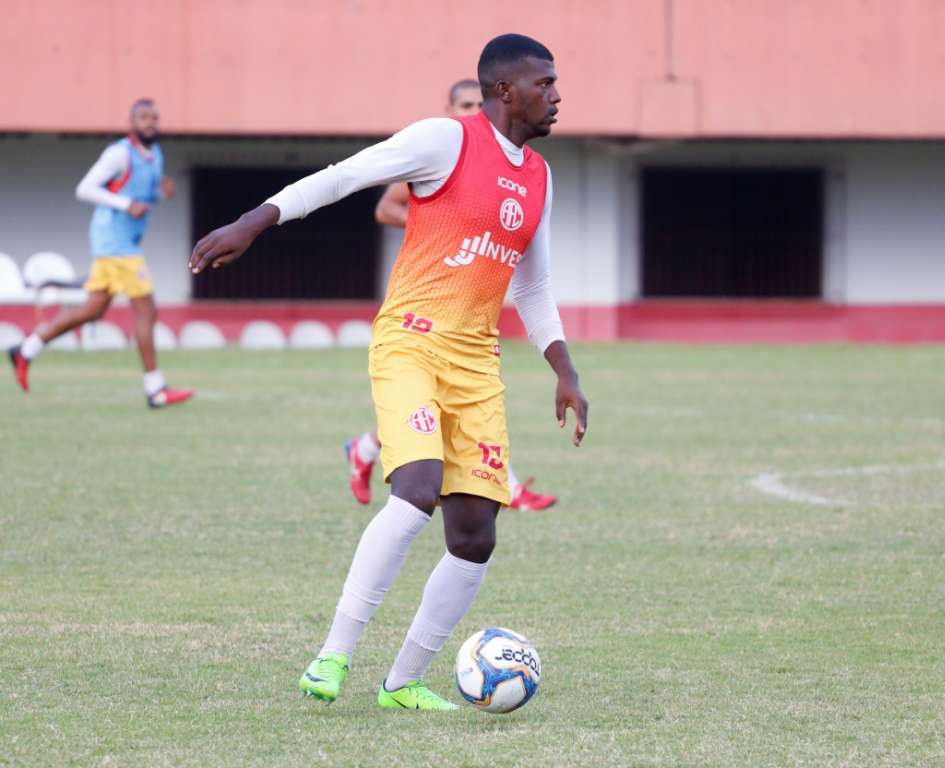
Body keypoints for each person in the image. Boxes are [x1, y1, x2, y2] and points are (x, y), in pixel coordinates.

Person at [189, 34, 587, 711]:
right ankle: (332, 656)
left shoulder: (540, 176)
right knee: (416, 488)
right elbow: (344, 175)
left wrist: (564, 369)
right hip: (411, 341)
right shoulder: (445, 140)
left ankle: (402, 683)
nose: (557, 95)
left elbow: (533, 284)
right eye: (545, 83)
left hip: (477, 363)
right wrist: (253, 223)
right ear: (504, 91)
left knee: (475, 533)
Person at [345, 78, 556, 512]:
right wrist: (447, 227)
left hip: (474, 311)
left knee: (459, 409)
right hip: (426, 301)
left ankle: (365, 449)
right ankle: (510, 488)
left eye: (476, 104)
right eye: (463, 104)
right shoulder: (437, 151)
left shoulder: (509, 164)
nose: (470, 110)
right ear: (448, 106)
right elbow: (385, 207)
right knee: (440, 416)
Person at [7, 99, 193, 409]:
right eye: (143, 118)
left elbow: (141, 195)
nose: (150, 123)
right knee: (147, 312)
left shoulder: (155, 155)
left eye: (154, 118)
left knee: (92, 310)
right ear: (131, 123)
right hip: (117, 246)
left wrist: (162, 191)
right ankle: (155, 389)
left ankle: (25, 350)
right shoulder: (119, 154)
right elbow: (85, 189)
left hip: (121, 245)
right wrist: (123, 205)